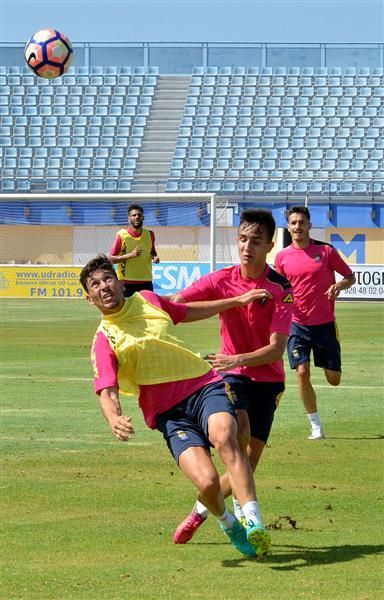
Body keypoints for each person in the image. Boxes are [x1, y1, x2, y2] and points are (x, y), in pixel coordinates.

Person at [80, 254, 276, 558]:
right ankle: (228, 523)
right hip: (169, 414)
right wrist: (113, 418)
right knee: (208, 481)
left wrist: (236, 301)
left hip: (202, 385)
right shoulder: (104, 339)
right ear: (90, 298)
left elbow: (187, 311)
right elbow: (106, 390)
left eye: (107, 279)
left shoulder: (147, 299)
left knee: (225, 438)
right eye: (95, 284)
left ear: (119, 283)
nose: (103, 286)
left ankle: (254, 521)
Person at [170, 208, 294, 547]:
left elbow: (275, 350)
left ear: (269, 245)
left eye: (255, 241)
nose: (246, 247)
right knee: (237, 434)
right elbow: (178, 303)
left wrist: (236, 357)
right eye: (241, 239)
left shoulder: (281, 288)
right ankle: (249, 519)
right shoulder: (220, 279)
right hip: (232, 375)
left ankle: (199, 512)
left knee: (247, 464)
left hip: (268, 380)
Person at [274, 206, 356, 440]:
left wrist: (338, 286)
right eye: (293, 223)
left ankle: (330, 363)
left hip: (325, 324)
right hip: (296, 324)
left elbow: (350, 277)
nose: (297, 227)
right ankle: (315, 426)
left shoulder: (326, 251)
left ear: (309, 225)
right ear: (288, 227)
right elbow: (279, 289)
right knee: (302, 372)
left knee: (334, 380)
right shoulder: (282, 257)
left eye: (302, 222)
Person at [109, 203, 160, 297]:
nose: (137, 217)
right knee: (127, 311)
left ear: (143, 218)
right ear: (129, 218)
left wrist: (155, 257)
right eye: (134, 215)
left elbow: (152, 252)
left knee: (148, 311)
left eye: (139, 215)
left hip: (146, 281)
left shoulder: (150, 234)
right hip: (126, 282)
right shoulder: (121, 235)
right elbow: (111, 259)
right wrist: (130, 255)